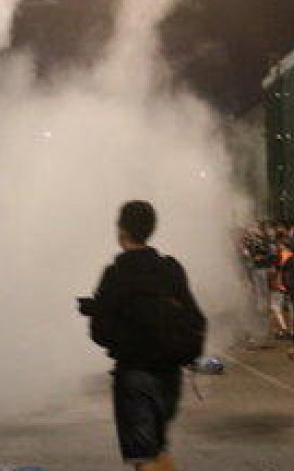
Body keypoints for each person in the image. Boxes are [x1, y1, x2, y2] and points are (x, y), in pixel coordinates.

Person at [80, 201, 206, 471]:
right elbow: (195, 317)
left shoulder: (116, 273)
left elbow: (100, 332)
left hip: (134, 374)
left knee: (144, 458)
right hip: (170, 375)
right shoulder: (171, 268)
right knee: (158, 449)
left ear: (122, 230)